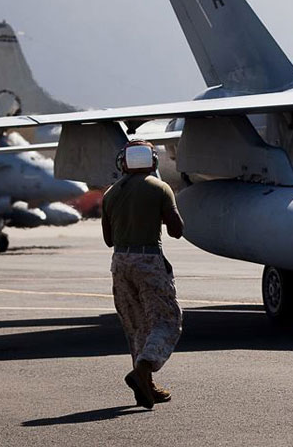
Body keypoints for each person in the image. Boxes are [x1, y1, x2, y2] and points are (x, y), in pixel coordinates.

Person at [102, 140, 184, 409]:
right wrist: (161, 212)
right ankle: (144, 368)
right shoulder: (160, 188)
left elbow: (108, 239)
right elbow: (176, 230)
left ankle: (146, 387)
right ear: (153, 161)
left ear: (123, 162)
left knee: (136, 325)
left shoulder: (110, 193)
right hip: (148, 260)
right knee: (167, 320)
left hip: (120, 263)